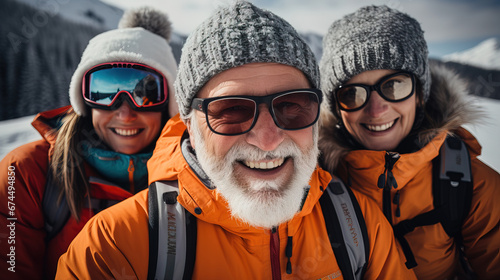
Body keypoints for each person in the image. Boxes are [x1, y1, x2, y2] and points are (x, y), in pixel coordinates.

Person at [55, 2, 416, 279]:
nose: (268, 139)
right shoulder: (117, 245)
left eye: (292, 107)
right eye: (230, 111)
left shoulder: (358, 223)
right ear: (191, 128)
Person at [319, 5, 500, 280]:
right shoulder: (310, 183)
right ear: (337, 107)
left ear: (419, 94)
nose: (376, 110)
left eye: (394, 85)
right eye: (353, 94)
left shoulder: (470, 184)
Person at [0, 7, 178, 279]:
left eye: (145, 93)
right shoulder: (25, 174)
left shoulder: (196, 182)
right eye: (104, 92)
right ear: (84, 102)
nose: (125, 113)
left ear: (169, 105)